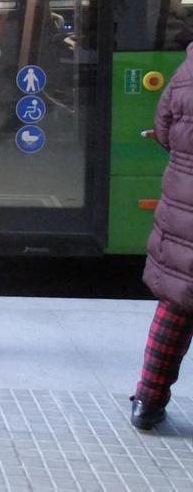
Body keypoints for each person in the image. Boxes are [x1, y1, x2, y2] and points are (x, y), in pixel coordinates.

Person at [132, 42, 193, 430]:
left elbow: (165, 128)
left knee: (176, 306)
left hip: (184, 206)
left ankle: (147, 403)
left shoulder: (188, 70)